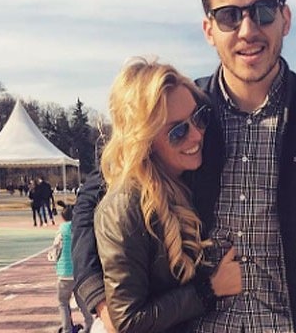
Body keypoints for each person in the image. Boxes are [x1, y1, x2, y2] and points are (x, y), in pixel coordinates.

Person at [73, 0, 296, 333]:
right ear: (209, 29)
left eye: (263, 11)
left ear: (285, 18)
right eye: (229, 16)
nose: (247, 30)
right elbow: (94, 199)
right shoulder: (185, 111)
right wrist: (98, 297)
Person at [92, 59, 242, 332]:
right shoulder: (125, 205)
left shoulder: (186, 180)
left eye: (199, 117)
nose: (196, 136)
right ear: (145, 141)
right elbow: (127, 320)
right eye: (177, 131)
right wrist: (209, 290)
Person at [49, 200, 94, 333]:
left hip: (64, 273)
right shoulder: (79, 229)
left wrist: (53, 259)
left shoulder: (61, 231)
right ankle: (89, 325)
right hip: (78, 272)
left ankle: (67, 328)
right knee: (82, 302)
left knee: (63, 302)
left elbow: (56, 249)